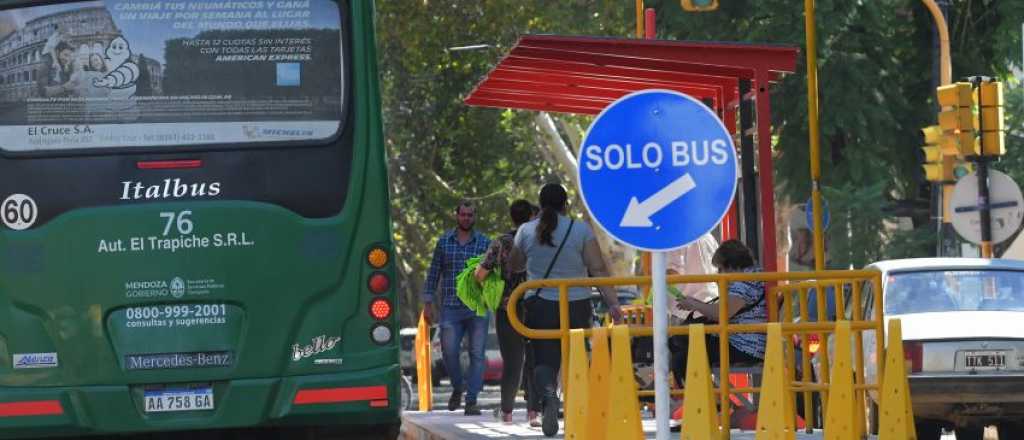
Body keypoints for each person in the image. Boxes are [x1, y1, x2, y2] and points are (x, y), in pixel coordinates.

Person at [506, 183, 623, 436]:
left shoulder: (526, 231)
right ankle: (578, 411)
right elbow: (598, 269)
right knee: (576, 357)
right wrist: (613, 303)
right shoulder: (580, 230)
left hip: (540, 305)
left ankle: (548, 396)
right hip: (577, 304)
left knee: (544, 360)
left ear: (540, 204)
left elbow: (514, 266)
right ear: (565, 204)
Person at [421, 201, 491, 416]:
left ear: (475, 217)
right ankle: (458, 387)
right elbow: (434, 272)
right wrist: (427, 303)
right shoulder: (444, 242)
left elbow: (493, 275)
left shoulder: (484, 243)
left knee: (477, 354)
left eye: (470, 215)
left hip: (478, 308)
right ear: (456, 216)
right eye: (463, 214)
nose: (467, 218)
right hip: (450, 308)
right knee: (449, 352)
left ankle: (471, 400)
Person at [670, 239, 767, 388]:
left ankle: (706, 400)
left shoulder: (744, 283)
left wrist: (695, 304)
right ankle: (710, 398)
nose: (719, 274)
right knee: (680, 345)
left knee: (682, 358)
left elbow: (722, 313)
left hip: (743, 346)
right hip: (743, 342)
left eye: (721, 269)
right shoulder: (752, 277)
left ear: (731, 266)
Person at [474, 199, 537, 424]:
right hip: (535, 305)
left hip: (507, 308)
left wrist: (492, 289)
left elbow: (479, 274)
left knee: (512, 362)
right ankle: (533, 412)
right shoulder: (538, 238)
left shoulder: (500, 242)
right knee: (535, 358)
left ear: (511, 217)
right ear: (531, 215)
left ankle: (507, 412)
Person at [666, 231, 720, 320]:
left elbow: (673, 275)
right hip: (712, 305)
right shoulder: (708, 236)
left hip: (685, 309)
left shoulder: (676, 239)